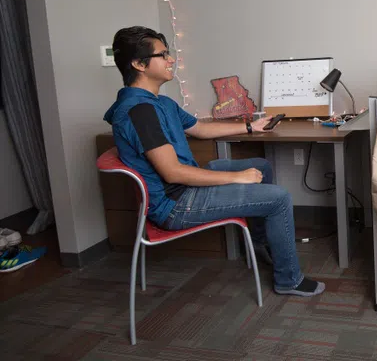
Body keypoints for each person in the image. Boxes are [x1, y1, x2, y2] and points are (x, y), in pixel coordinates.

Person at [104, 26, 325, 296]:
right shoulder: (140, 112)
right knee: (278, 198)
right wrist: (237, 177)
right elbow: (173, 173)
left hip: (184, 186)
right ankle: (288, 280)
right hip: (176, 204)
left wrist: (250, 127)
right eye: (163, 55)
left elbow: (200, 129)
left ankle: (258, 244)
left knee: (262, 166)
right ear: (139, 64)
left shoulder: (159, 102)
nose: (171, 59)